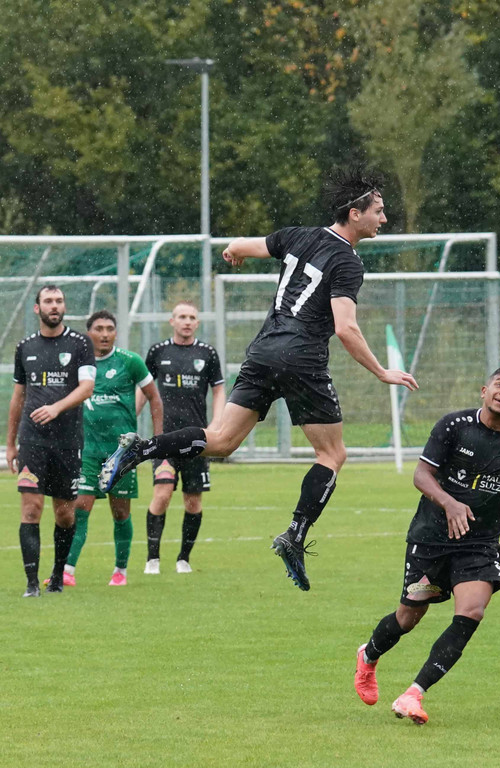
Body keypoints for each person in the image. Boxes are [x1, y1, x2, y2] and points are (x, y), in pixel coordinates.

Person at [99, 165, 418, 591]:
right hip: (302, 357)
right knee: (332, 454)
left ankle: (141, 449)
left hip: (264, 350)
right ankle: (295, 535)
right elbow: (345, 328)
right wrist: (381, 371)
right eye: (378, 211)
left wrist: (233, 253)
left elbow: (236, 246)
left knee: (220, 441)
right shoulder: (347, 261)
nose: (384, 218)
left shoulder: (297, 235)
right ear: (354, 214)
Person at [354, 367, 500, 725]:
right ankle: (368, 655)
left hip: (480, 543)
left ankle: (413, 694)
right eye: (499, 385)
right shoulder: (454, 425)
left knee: (472, 612)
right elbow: (421, 475)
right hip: (432, 537)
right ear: (484, 390)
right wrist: (449, 503)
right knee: (408, 617)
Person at [59, 310, 163, 587]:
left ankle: (120, 570)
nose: (104, 334)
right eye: (99, 329)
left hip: (121, 453)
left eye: (109, 329)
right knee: (80, 508)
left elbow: (154, 398)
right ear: (89, 333)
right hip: (88, 450)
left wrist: (158, 441)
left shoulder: (130, 361)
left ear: (115, 333)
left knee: (120, 513)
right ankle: (67, 571)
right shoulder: (80, 364)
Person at [6, 285, 96, 596]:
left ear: (64, 307)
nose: (54, 305)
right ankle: (31, 583)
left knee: (65, 513)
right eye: (48, 301)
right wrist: (11, 443)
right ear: (37, 308)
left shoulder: (80, 343)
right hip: (32, 441)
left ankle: (57, 575)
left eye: (59, 301)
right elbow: (18, 397)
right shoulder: (25, 347)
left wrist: (56, 408)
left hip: (68, 441)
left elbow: (87, 387)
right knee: (31, 509)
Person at [136, 302, 225, 575]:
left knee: (193, 502)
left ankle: (183, 559)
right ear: (172, 321)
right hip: (164, 439)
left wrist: (216, 424)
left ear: (197, 323)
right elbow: (144, 389)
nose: (187, 321)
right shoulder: (158, 351)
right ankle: (152, 559)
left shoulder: (207, 353)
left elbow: (219, 391)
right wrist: (130, 416)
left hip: (197, 440)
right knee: (162, 494)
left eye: (192, 317)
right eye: (182, 317)